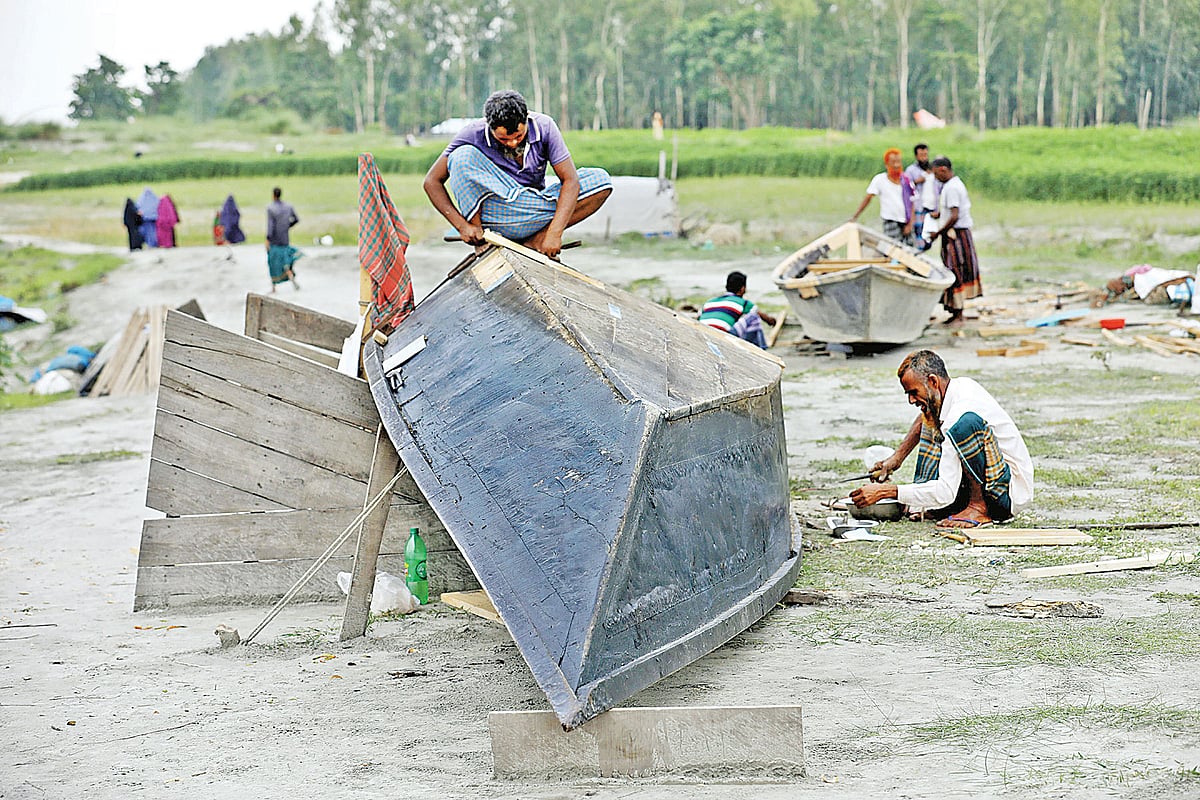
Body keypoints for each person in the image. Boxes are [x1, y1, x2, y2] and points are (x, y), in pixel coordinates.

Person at [850, 349, 1033, 529]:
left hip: (1006, 495)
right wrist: (896, 459)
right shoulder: (957, 388)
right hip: (990, 481)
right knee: (930, 411)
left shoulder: (959, 415)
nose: (911, 400)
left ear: (933, 381)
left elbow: (945, 491)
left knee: (965, 425)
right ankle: (947, 505)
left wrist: (886, 491)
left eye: (913, 392)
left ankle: (979, 507)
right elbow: (925, 414)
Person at [423, 89, 612, 259]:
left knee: (601, 180)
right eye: (504, 138)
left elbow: (570, 181)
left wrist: (554, 233)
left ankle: (537, 239)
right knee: (461, 156)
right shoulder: (472, 133)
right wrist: (463, 227)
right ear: (489, 127)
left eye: (519, 136)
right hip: (497, 215)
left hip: (535, 208)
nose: (512, 143)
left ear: (527, 119)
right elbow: (432, 181)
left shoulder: (545, 126)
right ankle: (482, 243)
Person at [925, 156, 981, 325]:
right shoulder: (951, 186)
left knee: (956, 270)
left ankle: (958, 312)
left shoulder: (952, 188)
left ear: (943, 170)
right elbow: (950, 212)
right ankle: (954, 310)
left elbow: (955, 216)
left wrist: (938, 233)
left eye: (936, 174)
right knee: (953, 268)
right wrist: (939, 215)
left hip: (956, 235)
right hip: (953, 232)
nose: (935, 178)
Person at [699, 271, 777, 349]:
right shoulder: (744, 303)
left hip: (703, 335)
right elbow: (761, 315)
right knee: (754, 317)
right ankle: (761, 349)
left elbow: (700, 317)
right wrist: (772, 321)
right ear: (742, 289)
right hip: (722, 336)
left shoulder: (709, 302)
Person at [850, 148, 912, 245]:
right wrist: (855, 216)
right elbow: (868, 198)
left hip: (906, 220)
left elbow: (912, 202)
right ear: (887, 164)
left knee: (909, 250)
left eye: (898, 162)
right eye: (893, 162)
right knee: (892, 248)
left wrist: (910, 224)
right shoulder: (880, 179)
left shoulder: (906, 180)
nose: (896, 165)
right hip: (890, 220)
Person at [265, 187, 301, 291]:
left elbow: (270, 226)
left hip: (275, 240)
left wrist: (268, 239)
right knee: (286, 260)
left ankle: (273, 287)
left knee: (273, 262)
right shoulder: (288, 207)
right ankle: (290, 276)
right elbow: (296, 219)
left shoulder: (270, 208)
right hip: (285, 239)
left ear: (273, 195)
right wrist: (287, 226)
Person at [903, 144, 934, 249]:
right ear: (916, 156)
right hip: (917, 207)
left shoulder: (932, 169)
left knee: (928, 234)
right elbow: (906, 187)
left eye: (925, 155)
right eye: (921, 155)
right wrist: (918, 181)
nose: (924, 157)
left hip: (929, 207)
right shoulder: (911, 170)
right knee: (917, 232)